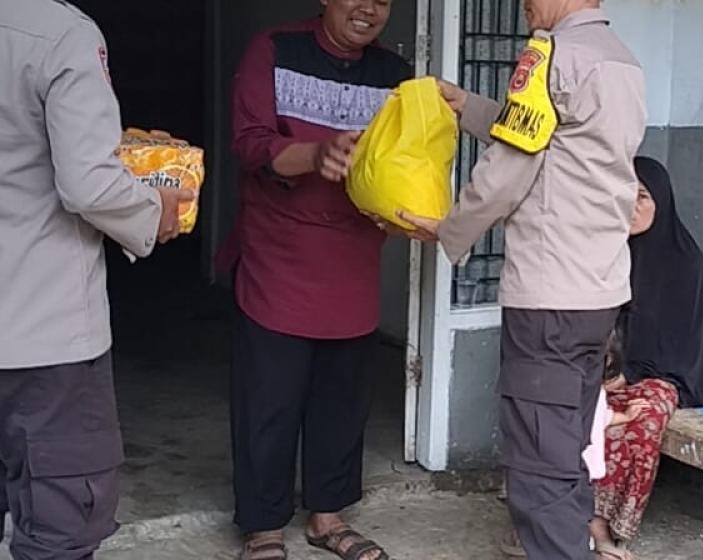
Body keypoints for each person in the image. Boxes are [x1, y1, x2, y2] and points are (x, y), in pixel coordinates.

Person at [400, 0, 647, 557]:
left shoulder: (552, 55)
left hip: (550, 299)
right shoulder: (620, 60)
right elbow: (555, 143)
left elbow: (509, 169)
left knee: (541, 463)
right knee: (567, 445)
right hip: (598, 293)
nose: (522, 4)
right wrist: (467, 106)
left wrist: (449, 228)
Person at [218, 1, 412, 558]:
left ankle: (327, 517)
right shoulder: (274, 51)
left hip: (353, 256)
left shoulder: (394, 78)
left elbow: (406, 159)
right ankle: (263, 525)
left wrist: (405, 208)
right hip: (279, 253)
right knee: (270, 396)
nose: (369, 8)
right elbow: (249, 143)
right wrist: (314, 153)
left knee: (341, 394)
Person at [0, 1, 192, 558]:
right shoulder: (60, 33)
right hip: (43, 338)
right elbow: (87, 185)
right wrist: (156, 209)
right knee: (59, 527)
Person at [591, 156, 703, 560]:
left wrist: (631, 373)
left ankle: (608, 526)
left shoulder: (684, 261)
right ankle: (567, 519)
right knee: (565, 408)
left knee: (641, 423)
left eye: (641, 196)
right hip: (604, 370)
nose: (630, 207)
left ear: (661, 201)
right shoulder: (606, 251)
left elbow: (682, 342)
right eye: (623, 195)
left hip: (663, 375)